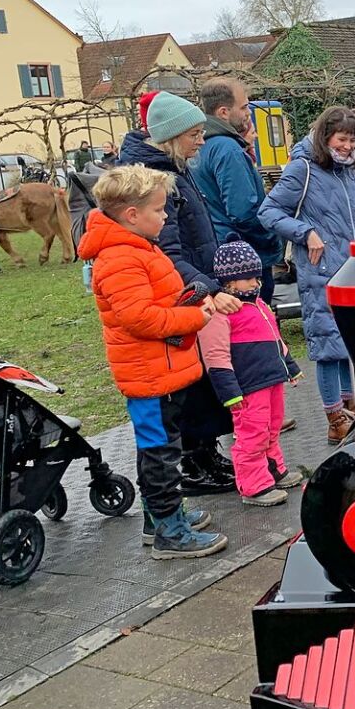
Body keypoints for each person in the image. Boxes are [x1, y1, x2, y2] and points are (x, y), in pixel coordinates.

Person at [79, 165, 226, 558]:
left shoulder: (138, 247)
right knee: (159, 452)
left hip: (161, 369)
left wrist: (189, 299)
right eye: (159, 210)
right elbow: (139, 317)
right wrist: (194, 317)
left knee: (163, 447)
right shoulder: (120, 258)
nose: (165, 217)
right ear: (132, 214)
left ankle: (162, 515)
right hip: (148, 374)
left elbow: (155, 302)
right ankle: (169, 532)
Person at [117, 91, 238, 494]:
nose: (202, 140)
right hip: (184, 294)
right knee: (191, 386)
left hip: (197, 283)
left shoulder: (175, 169)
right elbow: (167, 253)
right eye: (195, 134)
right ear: (171, 137)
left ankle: (204, 451)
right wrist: (208, 287)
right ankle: (191, 460)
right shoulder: (157, 182)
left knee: (204, 380)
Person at [258, 107, 355, 444]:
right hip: (324, 271)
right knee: (329, 346)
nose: (347, 146)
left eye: (353, 140)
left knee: (348, 344)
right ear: (325, 137)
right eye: (342, 139)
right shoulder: (304, 169)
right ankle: (334, 416)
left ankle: (349, 405)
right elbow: (268, 211)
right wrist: (305, 232)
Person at [199, 241, 303, 506]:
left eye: (257, 277)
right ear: (230, 282)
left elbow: (276, 340)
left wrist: (290, 366)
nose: (255, 283)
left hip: (271, 380)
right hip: (247, 386)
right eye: (248, 278)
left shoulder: (260, 307)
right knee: (251, 434)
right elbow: (216, 355)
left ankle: (273, 469)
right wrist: (229, 391)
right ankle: (253, 485)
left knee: (272, 427)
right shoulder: (220, 313)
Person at [191, 78, 282, 305]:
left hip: (219, 252)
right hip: (244, 259)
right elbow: (243, 211)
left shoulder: (202, 146)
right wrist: (272, 237)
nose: (247, 112)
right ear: (223, 111)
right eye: (243, 107)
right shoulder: (227, 148)